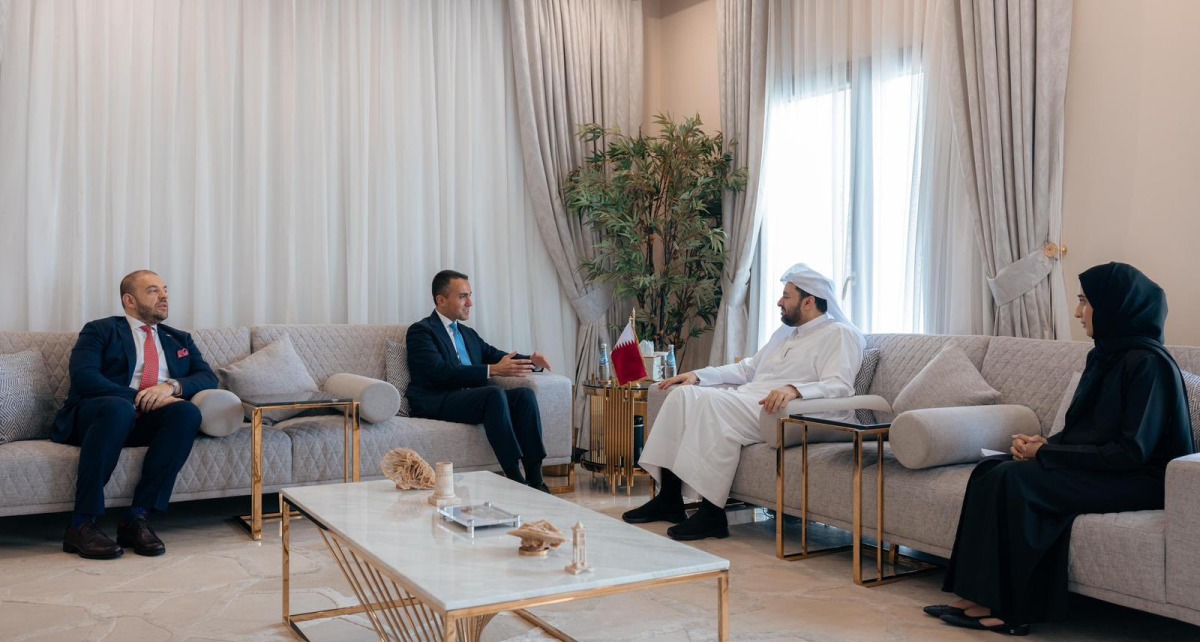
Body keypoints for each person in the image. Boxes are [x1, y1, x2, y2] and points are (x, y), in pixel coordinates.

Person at [927, 262, 1194, 635]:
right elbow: (1086, 431)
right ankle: (978, 594)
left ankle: (1013, 610)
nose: (1078, 313)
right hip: (1107, 469)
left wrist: (1046, 455)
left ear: (1115, 307)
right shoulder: (1105, 356)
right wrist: (1045, 444)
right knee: (990, 470)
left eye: (1085, 303)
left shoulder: (1150, 365)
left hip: (1140, 479)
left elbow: (1131, 452)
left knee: (1016, 481)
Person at [623, 264, 865, 541]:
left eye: (786, 296)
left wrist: (795, 390)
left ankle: (712, 514)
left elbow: (840, 385)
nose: (779, 302)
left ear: (809, 302)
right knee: (681, 395)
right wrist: (698, 375)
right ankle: (669, 499)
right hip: (753, 399)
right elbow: (747, 370)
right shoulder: (786, 335)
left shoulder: (839, 334)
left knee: (712, 404)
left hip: (787, 411)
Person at [53, 270, 218, 559]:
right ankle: (81, 524)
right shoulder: (99, 330)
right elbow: (85, 377)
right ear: (129, 300)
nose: (164, 296)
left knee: (187, 413)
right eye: (153, 290)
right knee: (118, 408)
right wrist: (138, 398)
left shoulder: (179, 339)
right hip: (99, 417)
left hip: (146, 421)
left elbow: (207, 377)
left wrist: (170, 387)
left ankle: (137, 517)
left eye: (165, 289)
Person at [405, 270, 553, 492]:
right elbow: (438, 371)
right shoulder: (421, 331)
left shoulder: (468, 334)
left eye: (470, 295)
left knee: (524, 395)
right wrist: (492, 370)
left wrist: (532, 361)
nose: (470, 303)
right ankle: (515, 478)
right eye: (463, 296)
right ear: (441, 300)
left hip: (471, 399)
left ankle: (535, 478)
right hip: (439, 399)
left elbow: (495, 356)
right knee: (493, 394)